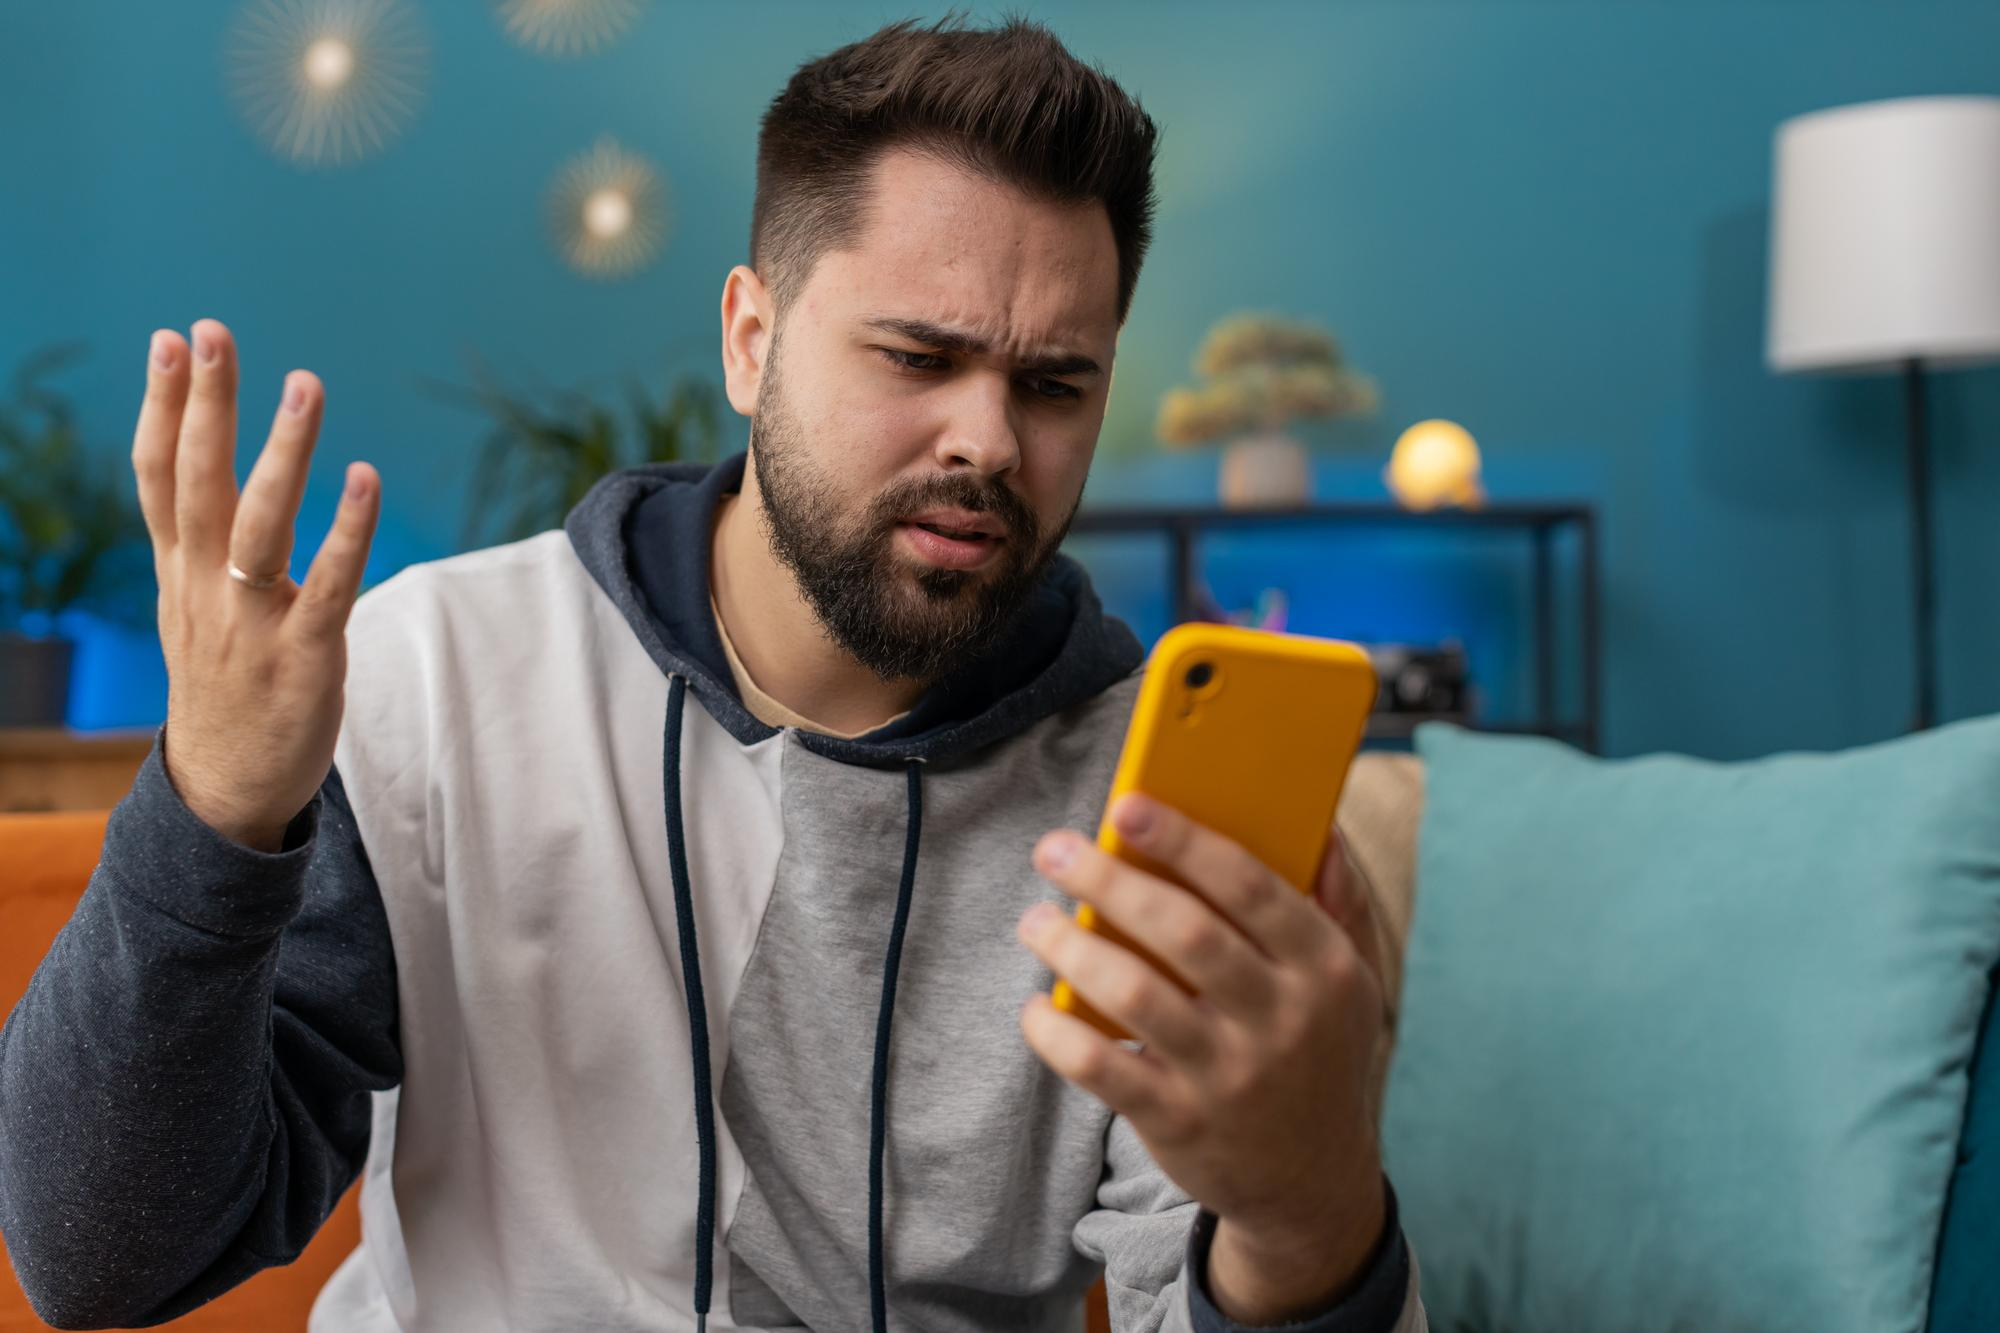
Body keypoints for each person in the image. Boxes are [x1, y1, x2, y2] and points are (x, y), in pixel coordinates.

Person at [0, 17, 1425, 1333]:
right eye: (917, 355)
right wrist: (214, 808)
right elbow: (101, 1257)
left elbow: (1210, 1277)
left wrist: (1308, 1212)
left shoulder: (1151, 793)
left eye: (1054, 384)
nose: (989, 440)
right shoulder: (429, 679)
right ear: (751, 339)